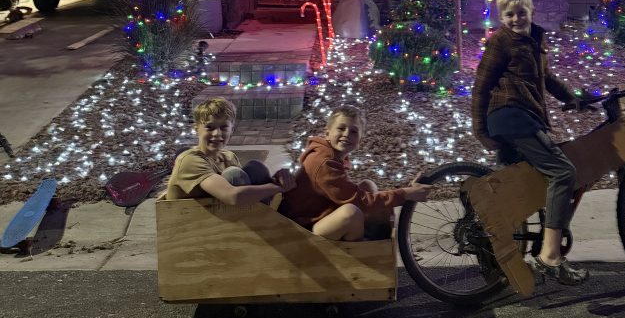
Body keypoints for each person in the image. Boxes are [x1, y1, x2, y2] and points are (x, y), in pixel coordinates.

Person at [471, 0, 589, 285]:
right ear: (501, 18)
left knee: (518, 189)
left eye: (521, 12)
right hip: (511, 115)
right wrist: (480, 130)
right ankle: (550, 255)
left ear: (531, 12)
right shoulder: (500, 41)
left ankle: (498, 259)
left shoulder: (535, 38)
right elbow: (481, 85)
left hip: (523, 116)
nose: (516, 19)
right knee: (563, 172)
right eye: (509, 14)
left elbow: (545, 78)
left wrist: (573, 98)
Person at [279, 105, 431, 240]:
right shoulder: (324, 162)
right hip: (301, 229)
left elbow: (357, 197)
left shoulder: (333, 155)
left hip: (318, 215)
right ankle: (358, 253)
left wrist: (403, 193)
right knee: (351, 213)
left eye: (353, 131)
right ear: (327, 133)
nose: (347, 134)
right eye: (341, 128)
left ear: (359, 139)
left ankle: (375, 236)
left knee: (367, 186)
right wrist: (404, 194)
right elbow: (359, 201)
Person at [166, 98, 295, 204]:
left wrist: (277, 179)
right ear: (196, 129)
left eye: (224, 127)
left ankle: (266, 215)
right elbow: (233, 196)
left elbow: (247, 187)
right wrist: (277, 188)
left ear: (231, 130)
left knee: (256, 167)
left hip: (222, 217)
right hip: (193, 222)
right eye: (210, 127)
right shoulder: (189, 160)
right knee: (233, 174)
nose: (217, 134)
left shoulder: (228, 157)